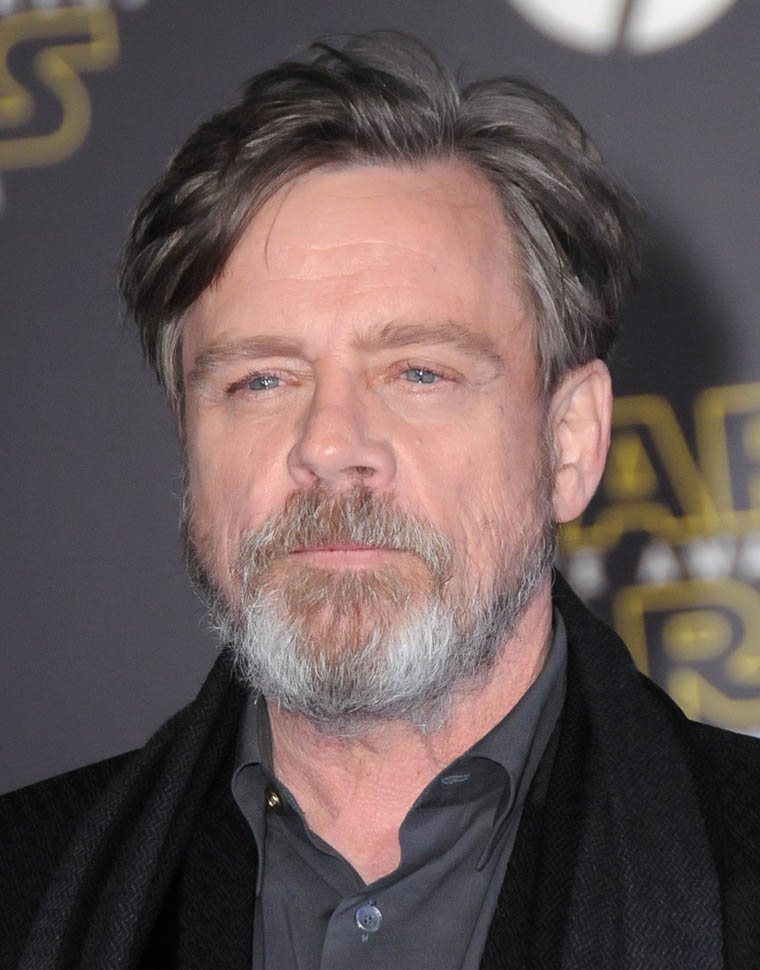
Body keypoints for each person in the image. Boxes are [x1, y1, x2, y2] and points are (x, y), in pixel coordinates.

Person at [2, 32, 759, 970]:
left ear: (569, 442)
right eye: (261, 380)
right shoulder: (27, 886)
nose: (329, 446)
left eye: (418, 372)